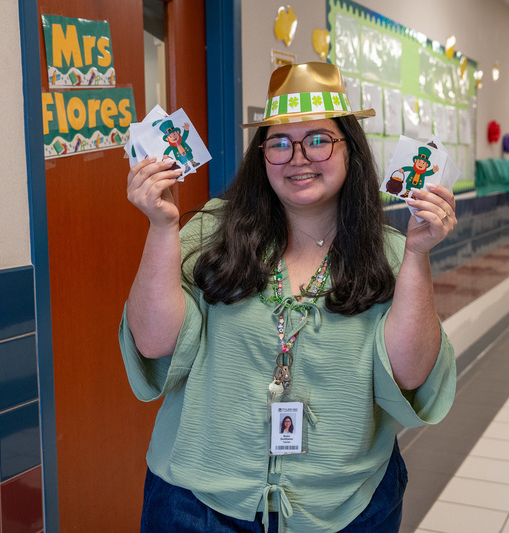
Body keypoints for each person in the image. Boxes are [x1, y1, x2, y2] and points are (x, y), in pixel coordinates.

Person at [120, 61, 457, 533]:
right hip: (196, 503)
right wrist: (161, 227)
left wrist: (419, 254)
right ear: (261, 156)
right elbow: (154, 343)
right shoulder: (208, 232)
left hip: (346, 506)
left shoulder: (392, 254)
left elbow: (411, 370)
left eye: (319, 139)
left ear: (350, 149)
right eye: (278, 142)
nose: (298, 157)